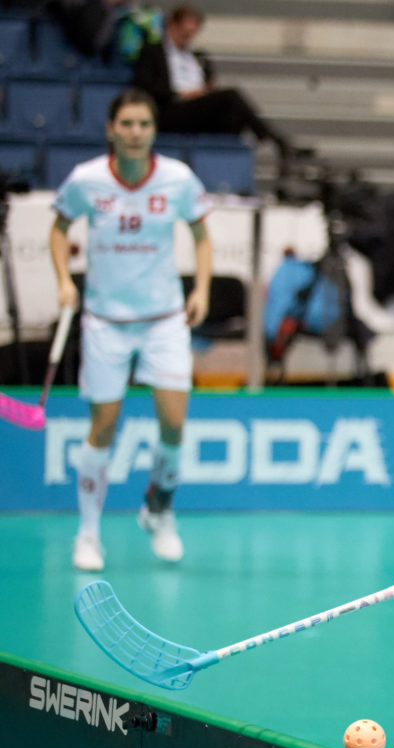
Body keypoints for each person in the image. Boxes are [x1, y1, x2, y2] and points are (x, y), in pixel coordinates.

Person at [49, 87, 212, 571]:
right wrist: (63, 280)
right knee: (102, 427)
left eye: (144, 124)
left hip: (164, 320)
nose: (135, 132)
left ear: (154, 131)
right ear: (111, 130)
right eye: (127, 124)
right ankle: (88, 536)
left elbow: (202, 235)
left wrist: (200, 289)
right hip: (106, 322)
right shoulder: (87, 180)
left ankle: (158, 512)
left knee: (174, 425)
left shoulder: (179, 180)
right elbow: (58, 229)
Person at [130, 5, 301, 163]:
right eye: (184, 33)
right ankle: (274, 140)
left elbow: (208, 84)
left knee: (235, 117)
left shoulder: (198, 57)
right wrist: (183, 94)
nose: (188, 38)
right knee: (232, 96)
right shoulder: (152, 52)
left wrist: (206, 91)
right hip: (170, 109)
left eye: (191, 34)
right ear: (171, 27)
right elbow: (145, 87)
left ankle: (232, 173)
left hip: (197, 111)